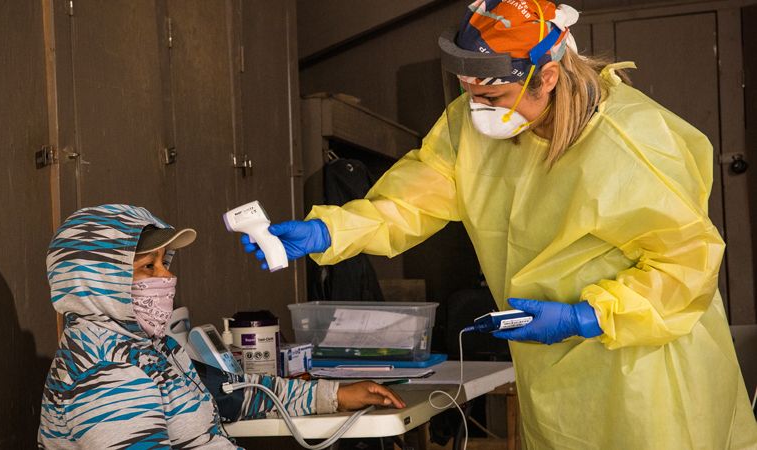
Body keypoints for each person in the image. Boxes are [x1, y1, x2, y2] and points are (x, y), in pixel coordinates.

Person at [242, 1, 757, 448]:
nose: (477, 110)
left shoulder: (631, 144)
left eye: (491, 97)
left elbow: (688, 263)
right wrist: (332, 232)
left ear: (547, 76)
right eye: (469, 93)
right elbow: (414, 198)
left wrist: (588, 317)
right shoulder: (475, 126)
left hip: (644, 372)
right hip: (553, 374)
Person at [38, 204, 404, 448]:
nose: (168, 276)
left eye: (165, 262)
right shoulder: (106, 374)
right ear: (94, 281)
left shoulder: (149, 349)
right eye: (148, 267)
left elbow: (233, 393)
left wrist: (332, 396)